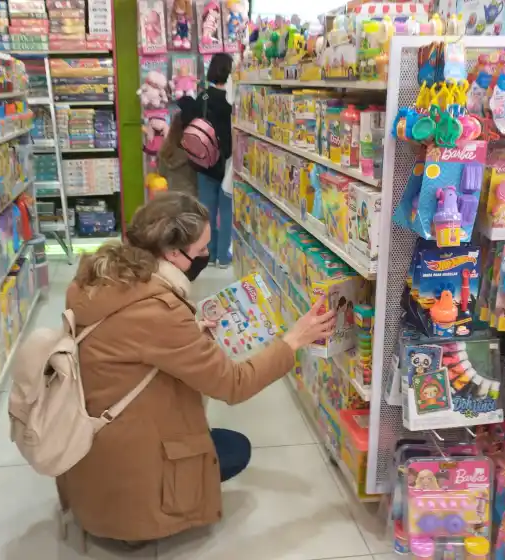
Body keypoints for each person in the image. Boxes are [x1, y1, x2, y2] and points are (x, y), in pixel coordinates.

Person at [58, 192, 336, 545]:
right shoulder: (158, 309)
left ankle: (127, 505)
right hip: (129, 465)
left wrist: (189, 335)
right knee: (233, 450)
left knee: (221, 445)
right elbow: (234, 384)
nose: (207, 254)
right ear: (173, 253)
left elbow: (127, 349)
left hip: (93, 445)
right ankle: (140, 523)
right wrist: (294, 340)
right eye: (202, 249)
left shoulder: (99, 277)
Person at [178, 52, 234, 267]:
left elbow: (188, 122)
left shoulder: (203, 97)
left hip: (204, 162)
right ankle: (223, 256)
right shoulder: (232, 101)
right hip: (228, 163)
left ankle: (208, 253)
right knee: (227, 210)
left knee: (207, 211)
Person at [157, 112, 198, 197]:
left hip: (172, 198)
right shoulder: (195, 152)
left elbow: (162, 173)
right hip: (192, 198)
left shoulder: (165, 151)